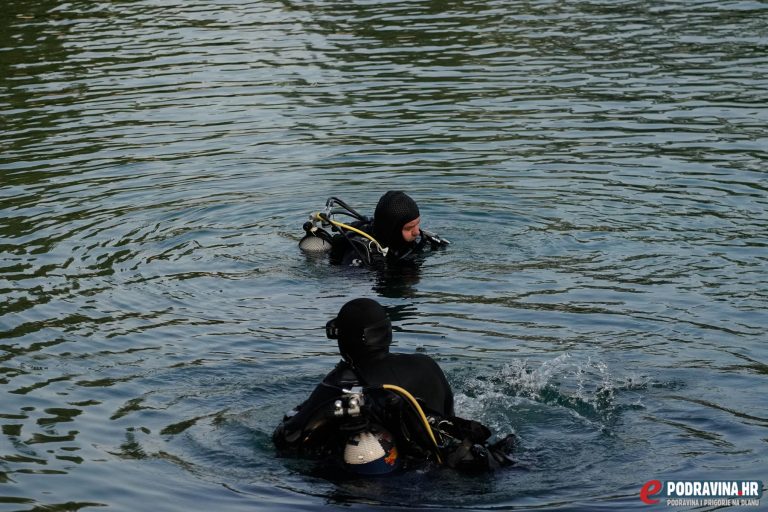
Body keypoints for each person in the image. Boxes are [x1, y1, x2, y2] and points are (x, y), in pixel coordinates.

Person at [273, 298, 514, 474]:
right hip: (449, 463)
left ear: (344, 339)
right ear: (388, 333)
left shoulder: (342, 383)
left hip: (392, 479)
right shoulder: (426, 364)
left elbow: (288, 439)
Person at [298, 191, 449, 267]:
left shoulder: (413, 238)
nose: (417, 232)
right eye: (409, 228)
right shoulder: (361, 252)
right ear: (392, 230)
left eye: (417, 224)